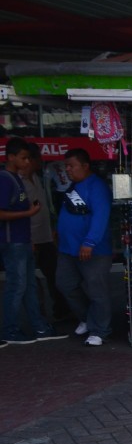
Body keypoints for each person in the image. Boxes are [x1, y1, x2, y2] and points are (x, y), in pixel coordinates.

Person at [0, 138, 67, 345]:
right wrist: (29, 213)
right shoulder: (5, 179)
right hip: (12, 241)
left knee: (29, 285)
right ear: (10, 157)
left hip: (24, 239)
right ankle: (8, 329)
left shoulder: (17, 178)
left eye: (29, 158)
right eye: (23, 158)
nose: (28, 162)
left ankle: (39, 325)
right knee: (17, 285)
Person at [56, 148, 112, 346]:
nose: (68, 170)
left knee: (97, 290)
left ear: (85, 166)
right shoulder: (73, 186)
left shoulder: (97, 187)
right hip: (68, 248)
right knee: (65, 284)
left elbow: (101, 216)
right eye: (66, 166)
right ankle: (88, 319)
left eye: (72, 166)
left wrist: (89, 242)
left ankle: (100, 330)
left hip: (93, 250)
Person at [24, 141, 72, 321]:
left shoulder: (37, 177)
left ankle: (62, 310)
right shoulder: (16, 181)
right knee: (29, 281)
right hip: (28, 237)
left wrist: (53, 229)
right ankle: (38, 318)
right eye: (38, 158)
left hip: (45, 235)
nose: (41, 161)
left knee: (56, 275)